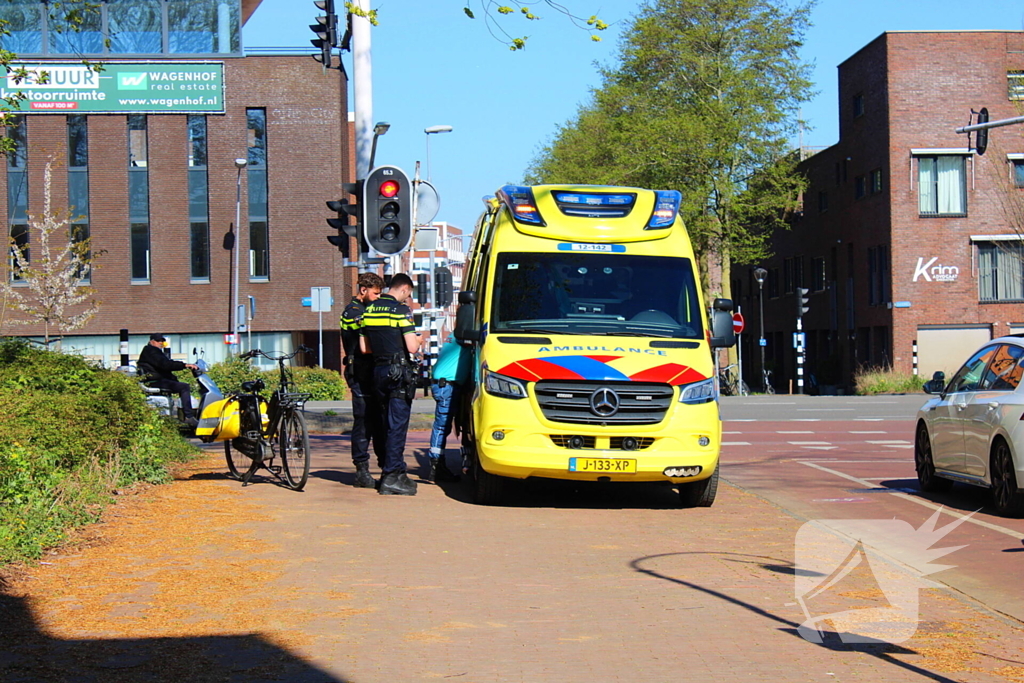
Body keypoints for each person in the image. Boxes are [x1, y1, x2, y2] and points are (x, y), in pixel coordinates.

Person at [360, 273, 422, 496]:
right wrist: (419, 339)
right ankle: (392, 475)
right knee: (397, 424)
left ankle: (393, 470)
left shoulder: (368, 311)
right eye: (408, 294)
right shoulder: (400, 310)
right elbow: (412, 347)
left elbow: (365, 348)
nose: (407, 299)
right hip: (398, 373)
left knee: (383, 423)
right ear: (404, 289)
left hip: (378, 371)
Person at [340, 272, 385, 488]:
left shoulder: (367, 309)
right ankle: (361, 469)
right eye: (376, 293)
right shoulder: (352, 312)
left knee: (378, 419)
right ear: (363, 290)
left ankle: (385, 465)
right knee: (363, 421)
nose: (378, 297)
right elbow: (365, 328)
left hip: (372, 371)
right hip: (359, 371)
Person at [428, 330, 473, 483]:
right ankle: (437, 467)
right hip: (447, 386)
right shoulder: (462, 335)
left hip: (446, 384)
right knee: (442, 426)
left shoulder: (456, 335)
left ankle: (438, 464)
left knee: (445, 425)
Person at [137, 334, 199, 426]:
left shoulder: (152, 351)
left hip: (155, 380)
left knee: (178, 384)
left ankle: (184, 415)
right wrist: (184, 365)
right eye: (158, 341)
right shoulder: (152, 351)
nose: (161, 343)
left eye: (162, 341)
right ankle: (188, 416)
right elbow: (165, 365)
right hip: (154, 382)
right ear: (151, 341)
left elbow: (164, 366)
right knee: (184, 387)